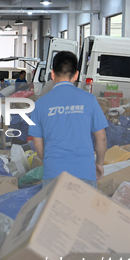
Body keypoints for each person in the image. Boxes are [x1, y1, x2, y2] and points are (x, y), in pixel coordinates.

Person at [28, 51, 108, 187]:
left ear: (52, 74)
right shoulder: (89, 100)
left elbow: (37, 144)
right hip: (85, 172)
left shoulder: (40, 104)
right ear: (76, 75)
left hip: (53, 173)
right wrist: (99, 163)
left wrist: (49, 161)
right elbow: (101, 138)